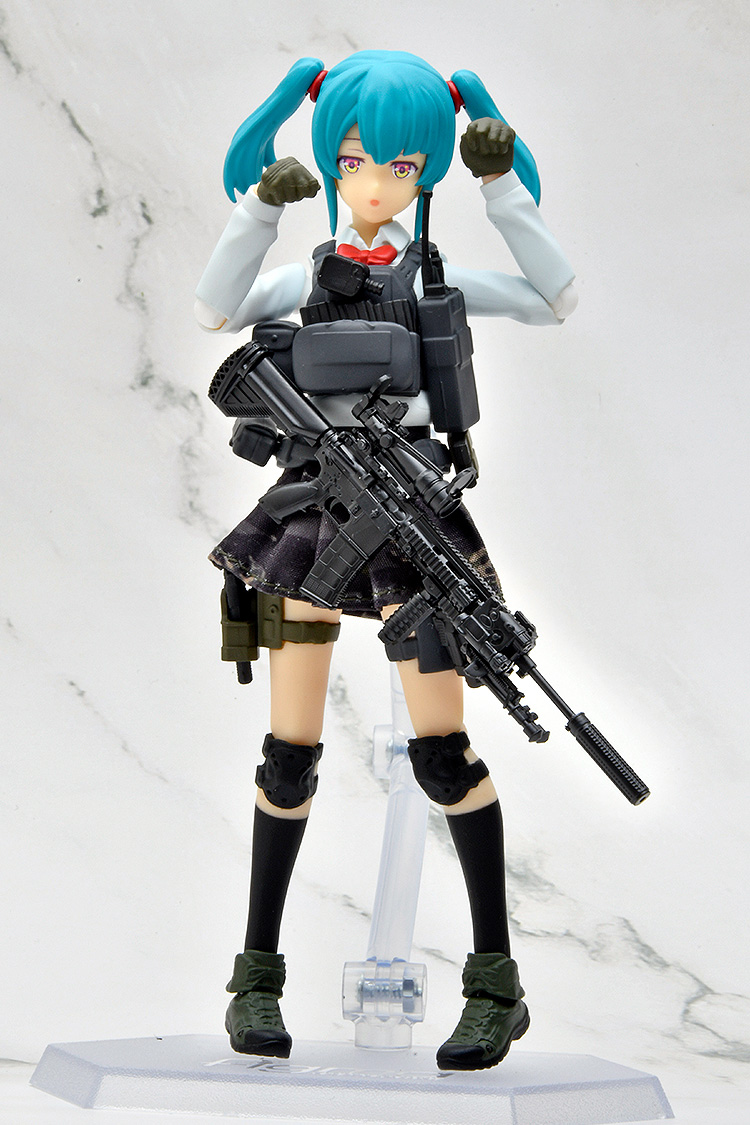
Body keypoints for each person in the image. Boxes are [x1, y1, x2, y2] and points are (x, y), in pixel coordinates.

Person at [196, 49, 577, 1071]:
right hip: (309, 513)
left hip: (409, 516)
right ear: (331, 160)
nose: (375, 183)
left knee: (444, 752)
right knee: (288, 753)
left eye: (402, 165)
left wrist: (502, 185)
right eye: (356, 159)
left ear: (425, 174)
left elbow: (555, 296)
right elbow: (214, 308)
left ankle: (496, 983)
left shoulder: (437, 283)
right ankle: (255, 977)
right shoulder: (303, 277)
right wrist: (259, 209)